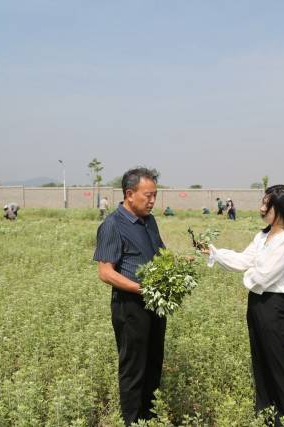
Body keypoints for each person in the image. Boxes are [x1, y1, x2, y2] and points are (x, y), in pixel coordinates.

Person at [203, 185, 284, 425]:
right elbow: (244, 260)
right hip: (257, 304)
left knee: (280, 368)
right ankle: (268, 417)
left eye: (266, 204)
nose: (261, 208)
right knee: (260, 363)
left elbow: (261, 278)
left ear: (280, 209)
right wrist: (215, 253)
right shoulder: (263, 236)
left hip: (274, 307)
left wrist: (251, 272)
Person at [93, 168, 166, 426]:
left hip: (156, 306)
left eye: (155, 195)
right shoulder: (113, 225)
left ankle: (149, 417)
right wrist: (142, 289)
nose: (152, 201)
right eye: (148, 195)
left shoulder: (150, 221)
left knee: (154, 361)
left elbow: (159, 255)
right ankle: (133, 421)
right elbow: (105, 272)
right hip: (130, 306)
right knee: (134, 367)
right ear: (129, 194)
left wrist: (177, 265)